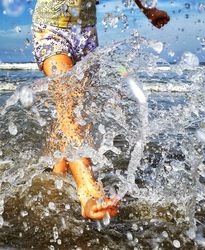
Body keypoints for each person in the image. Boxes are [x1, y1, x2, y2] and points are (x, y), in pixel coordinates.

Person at [32, 0, 170, 220]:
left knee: (75, 110)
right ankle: (88, 191)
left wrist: (149, 10)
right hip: (51, 28)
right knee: (69, 100)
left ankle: (55, 178)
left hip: (86, 34)